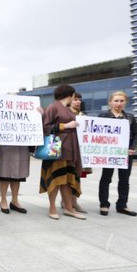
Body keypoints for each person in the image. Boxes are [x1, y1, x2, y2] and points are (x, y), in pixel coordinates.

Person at [39, 84, 85, 220]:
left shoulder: (67, 109)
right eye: (73, 96)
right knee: (55, 177)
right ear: (69, 95)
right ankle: (52, 207)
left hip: (70, 148)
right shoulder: (53, 107)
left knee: (66, 179)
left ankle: (69, 208)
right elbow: (46, 128)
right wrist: (65, 126)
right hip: (56, 148)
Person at [98, 91, 137, 217]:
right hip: (109, 153)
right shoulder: (103, 116)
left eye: (122, 101)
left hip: (126, 153)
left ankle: (122, 205)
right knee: (106, 178)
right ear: (110, 102)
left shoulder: (130, 117)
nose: (119, 103)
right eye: (116, 101)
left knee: (124, 180)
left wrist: (132, 147)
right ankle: (104, 204)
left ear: (125, 102)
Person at [66, 93, 89, 212]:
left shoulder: (83, 115)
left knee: (78, 177)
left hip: (81, 152)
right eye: (75, 99)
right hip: (69, 151)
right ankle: (67, 201)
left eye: (79, 100)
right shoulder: (65, 114)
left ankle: (74, 201)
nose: (78, 102)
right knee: (68, 177)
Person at [0, 145, 29, 214]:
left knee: (18, 174)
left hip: (21, 144)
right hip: (5, 143)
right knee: (4, 171)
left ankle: (14, 201)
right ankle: (3, 201)